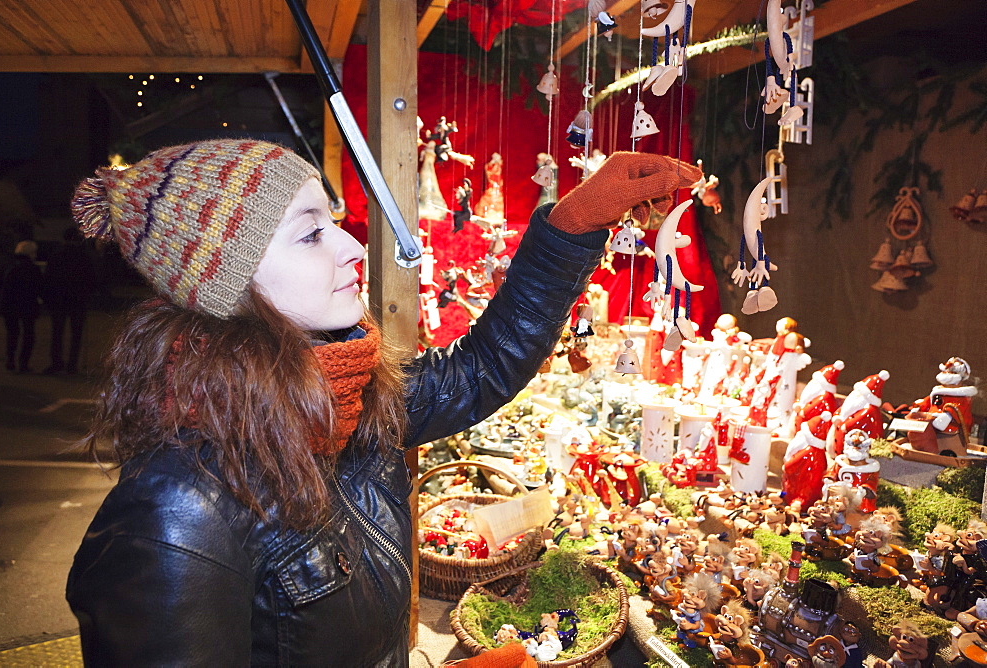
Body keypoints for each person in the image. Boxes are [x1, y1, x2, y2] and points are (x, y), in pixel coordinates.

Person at [64, 139, 700, 666]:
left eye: (333, 220)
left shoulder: (342, 398)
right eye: (310, 234)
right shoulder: (178, 513)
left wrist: (571, 226)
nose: (352, 247)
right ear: (226, 283)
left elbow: (476, 373)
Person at [42, 227, 97, 374]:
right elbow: (91, 280)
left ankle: (56, 362)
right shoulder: (84, 257)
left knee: (57, 333)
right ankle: (72, 365)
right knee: (76, 334)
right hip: (78, 300)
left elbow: (48, 279)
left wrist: (48, 297)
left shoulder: (57, 255)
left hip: (59, 299)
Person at [0, 240, 42, 373]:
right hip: (28, 305)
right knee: (28, 335)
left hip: (10, 305)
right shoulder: (33, 269)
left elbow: (5, 288)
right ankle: (23, 363)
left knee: (13, 334)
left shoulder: (11, 267)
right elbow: (39, 288)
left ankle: (10, 359)